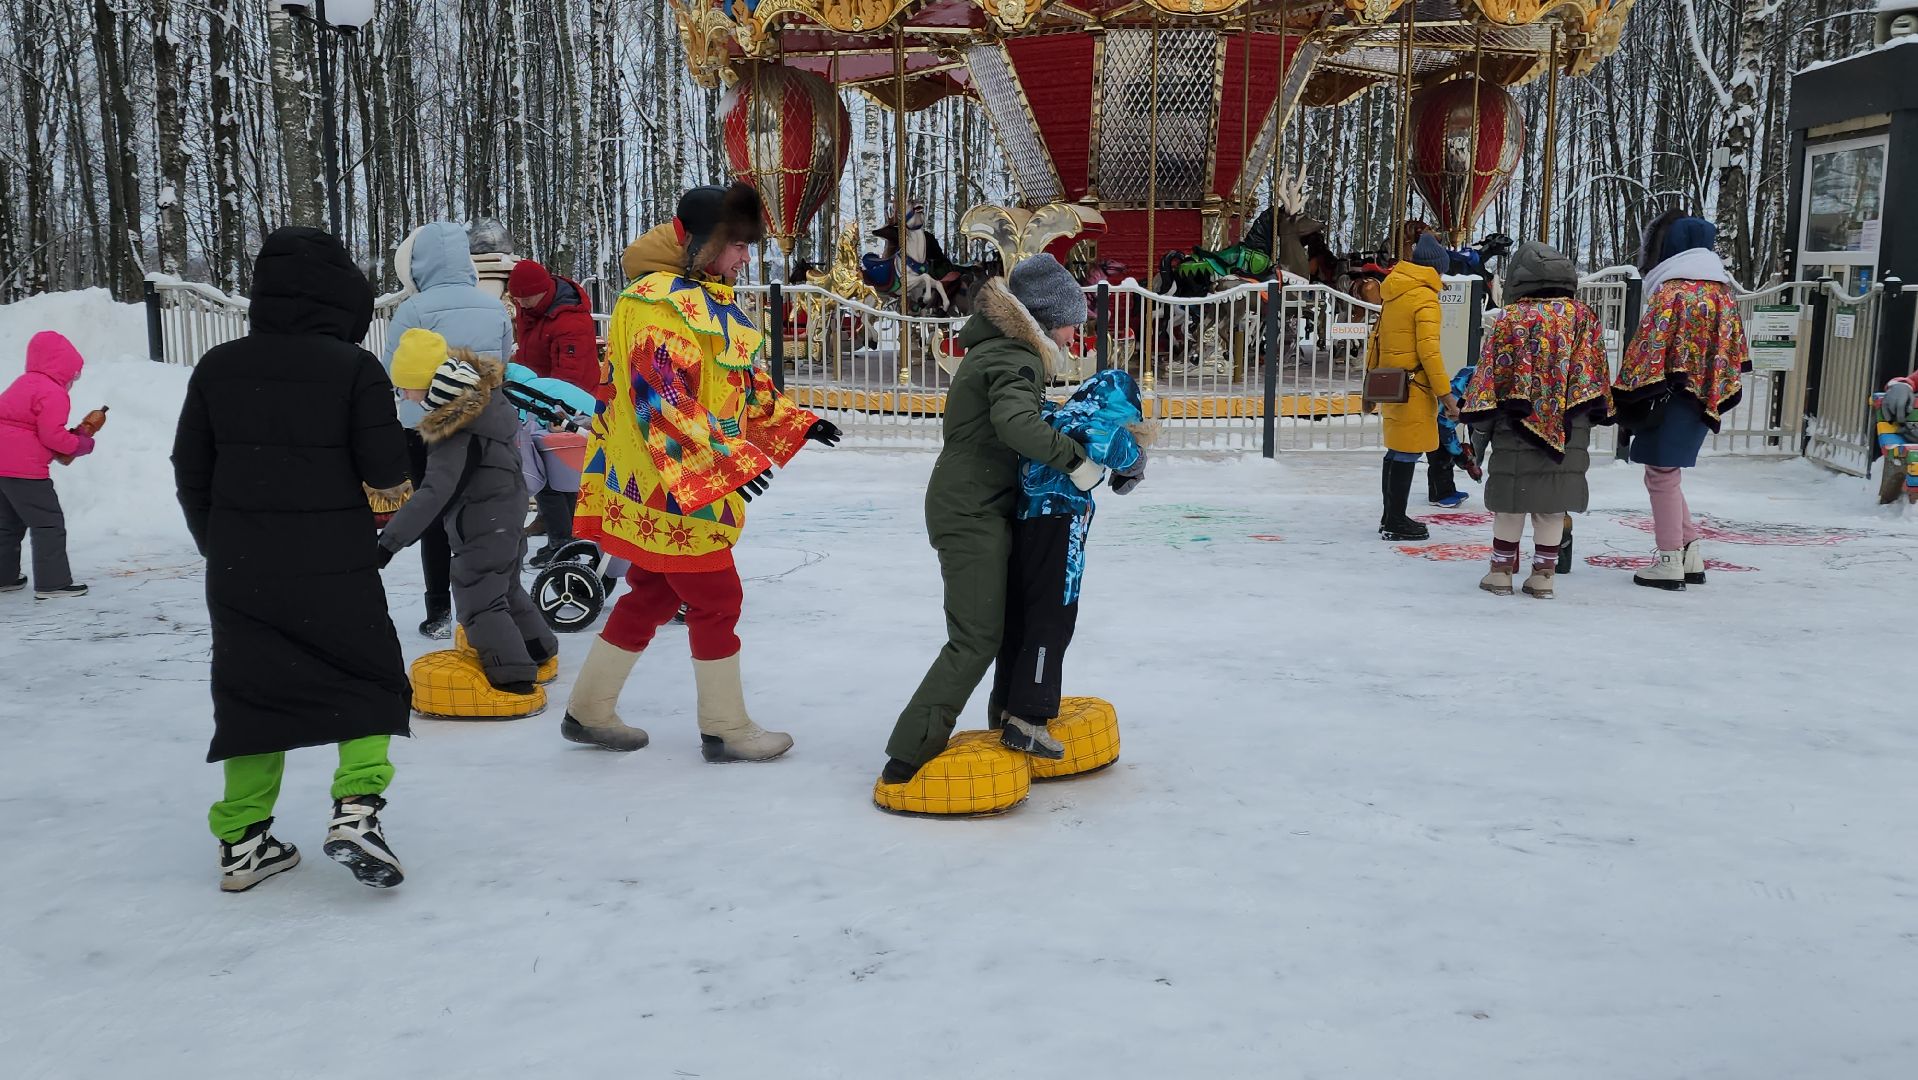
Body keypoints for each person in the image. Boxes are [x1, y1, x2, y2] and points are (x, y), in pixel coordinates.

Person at [171, 227, 413, 892]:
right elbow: (387, 473)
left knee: (253, 695)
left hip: (242, 567)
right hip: (336, 562)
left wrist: (216, 542)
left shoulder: (217, 367)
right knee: (367, 679)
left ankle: (243, 843)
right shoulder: (354, 369)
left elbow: (191, 469)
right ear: (345, 300)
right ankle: (357, 810)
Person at [563, 181, 839, 757]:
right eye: (737, 245)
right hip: (672, 482)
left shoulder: (701, 295)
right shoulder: (660, 303)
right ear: (704, 242)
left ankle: (588, 708)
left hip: (674, 479)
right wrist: (727, 464)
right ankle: (726, 728)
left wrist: (795, 423)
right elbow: (661, 401)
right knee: (717, 599)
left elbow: (737, 384)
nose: (745, 258)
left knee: (653, 592)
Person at [881, 254, 1101, 786]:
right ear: (1048, 318)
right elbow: (1015, 422)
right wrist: (1076, 461)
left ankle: (1009, 724)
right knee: (976, 636)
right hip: (970, 510)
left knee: (1004, 626)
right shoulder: (1015, 357)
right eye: (1074, 321)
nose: (1078, 333)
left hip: (980, 503)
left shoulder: (1004, 352)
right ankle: (907, 755)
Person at [379, 329, 557, 697]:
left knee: (478, 598)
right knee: (505, 590)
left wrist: (389, 542)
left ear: (425, 383)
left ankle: (513, 675)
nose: (406, 397)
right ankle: (539, 648)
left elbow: (435, 491)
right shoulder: (484, 400)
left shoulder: (455, 425)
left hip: (482, 521)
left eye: (407, 388)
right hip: (505, 514)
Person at [987, 368, 1147, 758]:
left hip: (1024, 524)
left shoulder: (1051, 414)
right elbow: (1108, 441)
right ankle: (1029, 719)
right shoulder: (1092, 420)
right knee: (1052, 619)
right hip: (1059, 526)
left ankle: (1007, 706)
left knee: (1021, 617)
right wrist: (1137, 462)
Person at [1458, 242, 1614, 600]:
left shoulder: (1511, 318)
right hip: (1570, 426)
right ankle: (1544, 576)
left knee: (1511, 501)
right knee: (1551, 505)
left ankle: (1500, 572)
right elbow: (1595, 375)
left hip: (1514, 425)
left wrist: (1479, 422)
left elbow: (1489, 375)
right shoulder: (1583, 317)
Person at [384, 221, 516, 639]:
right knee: (482, 515)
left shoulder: (414, 309)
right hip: (484, 423)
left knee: (434, 510)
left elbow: (394, 369)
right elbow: (504, 366)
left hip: (425, 425)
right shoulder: (494, 307)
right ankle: (490, 600)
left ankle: (438, 608)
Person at [1615, 212, 1751, 591]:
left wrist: (1625, 393)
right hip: (1703, 393)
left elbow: (1647, 348)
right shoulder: (1720, 291)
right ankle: (1689, 550)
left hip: (1667, 394)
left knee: (1660, 473)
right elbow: (1735, 349)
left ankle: (1669, 558)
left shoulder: (1672, 292)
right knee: (1666, 472)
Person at [1367, 233, 1458, 540]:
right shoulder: (1425, 300)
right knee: (1407, 452)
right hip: (1415, 386)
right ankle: (1395, 522)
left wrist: (1370, 384)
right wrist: (1446, 395)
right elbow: (1430, 353)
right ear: (1436, 269)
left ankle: (1388, 516)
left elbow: (1376, 341)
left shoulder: (1394, 293)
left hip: (1391, 384)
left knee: (1395, 450)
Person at [0, 331, 97, 599]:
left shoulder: (23, 383)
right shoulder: (53, 392)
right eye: (72, 376)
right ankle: (53, 583)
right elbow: (52, 436)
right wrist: (80, 444)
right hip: (25, 469)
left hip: (1, 466)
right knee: (48, 522)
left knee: (7, 523)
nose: (71, 383)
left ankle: (4, 577)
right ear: (63, 367)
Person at [503, 359, 597, 567]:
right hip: (592, 421)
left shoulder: (516, 391)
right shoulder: (539, 383)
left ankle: (561, 542)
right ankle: (567, 537)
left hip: (580, 425)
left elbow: (521, 422)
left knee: (547, 483)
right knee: (564, 481)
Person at [508, 258, 602, 394]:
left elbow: (568, 379)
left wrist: (547, 405)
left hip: (573, 401)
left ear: (542, 291)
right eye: (516, 299)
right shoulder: (529, 307)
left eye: (526, 299)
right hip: (537, 391)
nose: (521, 304)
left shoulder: (571, 322)